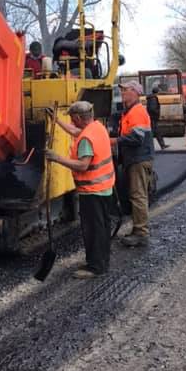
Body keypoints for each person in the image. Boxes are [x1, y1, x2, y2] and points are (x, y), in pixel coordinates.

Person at [46, 100, 115, 279]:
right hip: (104, 189)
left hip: (92, 191)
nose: (71, 121)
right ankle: (101, 261)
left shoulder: (86, 139)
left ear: (77, 117)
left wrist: (56, 158)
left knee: (93, 230)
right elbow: (76, 132)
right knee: (102, 228)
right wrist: (57, 121)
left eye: (71, 118)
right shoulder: (97, 128)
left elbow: (83, 165)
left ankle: (95, 267)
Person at [111, 81, 154, 248]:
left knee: (138, 195)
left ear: (135, 92)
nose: (122, 93)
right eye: (122, 90)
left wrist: (115, 141)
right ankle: (138, 229)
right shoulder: (128, 112)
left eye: (126, 90)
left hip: (139, 159)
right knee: (136, 194)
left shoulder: (137, 112)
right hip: (133, 159)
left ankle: (141, 233)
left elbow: (137, 138)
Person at [146, 85, 167, 150]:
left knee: (157, 132)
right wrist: (157, 112)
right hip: (153, 118)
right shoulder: (153, 98)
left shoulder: (152, 98)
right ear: (157, 92)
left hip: (152, 118)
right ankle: (148, 147)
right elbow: (152, 108)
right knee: (152, 133)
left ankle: (162, 145)